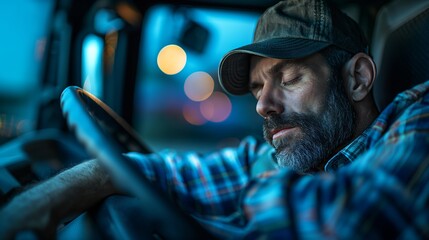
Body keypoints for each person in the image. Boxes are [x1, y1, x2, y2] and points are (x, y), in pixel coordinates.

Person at [1, 0, 429, 238]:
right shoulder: (280, 158)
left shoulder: (418, 118)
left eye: (289, 78)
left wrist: (236, 201)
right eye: (259, 88)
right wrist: (83, 180)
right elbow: (174, 172)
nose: (264, 105)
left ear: (356, 78)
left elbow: (353, 222)